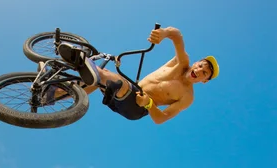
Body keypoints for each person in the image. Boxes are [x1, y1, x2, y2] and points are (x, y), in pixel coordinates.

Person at [57, 26, 220, 124]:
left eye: (204, 73)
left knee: (110, 78)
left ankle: (77, 58)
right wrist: (163, 33)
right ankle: (50, 94)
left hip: (137, 108)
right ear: (196, 62)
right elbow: (177, 36)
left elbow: (161, 118)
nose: (198, 71)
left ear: (204, 81)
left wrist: (148, 104)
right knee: (98, 78)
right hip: (126, 94)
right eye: (200, 65)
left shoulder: (187, 96)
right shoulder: (182, 61)